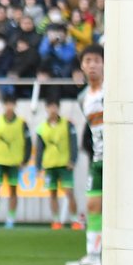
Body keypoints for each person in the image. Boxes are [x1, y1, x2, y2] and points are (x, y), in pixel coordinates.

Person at [65, 47, 104, 265]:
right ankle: (93, 255)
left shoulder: (113, 91)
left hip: (119, 159)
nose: (92, 65)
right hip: (98, 159)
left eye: (96, 60)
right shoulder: (83, 98)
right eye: (87, 61)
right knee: (92, 205)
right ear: (82, 66)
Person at [0, 93, 31, 227]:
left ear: (15, 105)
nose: (9, 107)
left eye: (12, 104)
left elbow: (28, 143)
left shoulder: (22, 123)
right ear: (3, 105)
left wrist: (25, 160)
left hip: (14, 162)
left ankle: (11, 219)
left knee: (13, 191)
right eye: (7, 104)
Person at [36, 97, 78, 231]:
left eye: (55, 107)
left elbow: (73, 143)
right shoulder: (41, 128)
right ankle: (56, 220)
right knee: (52, 193)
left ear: (58, 108)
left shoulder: (67, 124)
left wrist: (73, 160)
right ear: (46, 109)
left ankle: (75, 220)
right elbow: (39, 148)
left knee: (69, 192)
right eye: (50, 107)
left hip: (65, 164)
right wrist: (38, 167)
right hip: (49, 165)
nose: (53, 110)